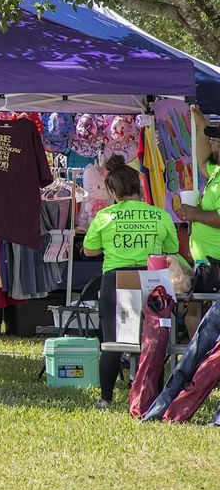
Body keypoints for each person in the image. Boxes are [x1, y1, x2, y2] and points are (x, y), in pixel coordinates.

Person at [83, 154, 179, 408]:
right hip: (152, 278)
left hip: (117, 278)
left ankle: (105, 398)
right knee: (154, 339)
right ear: (139, 187)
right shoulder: (160, 215)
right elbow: (172, 247)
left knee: (113, 340)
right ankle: (153, 395)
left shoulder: (105, 217)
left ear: (113, 190)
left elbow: (90, 250)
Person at [175, 111, 220, 263]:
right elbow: (202, 164)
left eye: (213, 139)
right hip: (208, 263)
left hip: (216, 264)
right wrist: (201, 124)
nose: (212, 143)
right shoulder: (217, 171)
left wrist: (196, 214)